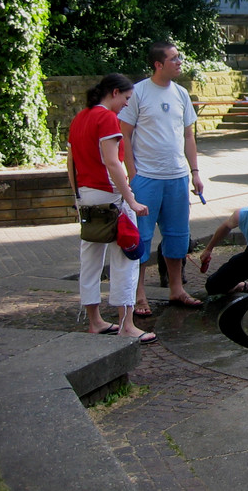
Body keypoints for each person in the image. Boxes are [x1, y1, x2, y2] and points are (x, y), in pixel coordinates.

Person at [68, 74, 156, 343]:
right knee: (126, 258)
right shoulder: (106, 118)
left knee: (90, 260)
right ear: (115, 92)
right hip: (111, 198)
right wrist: (130, 199)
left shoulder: (79, 117)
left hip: (87, 196)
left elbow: (70, 162)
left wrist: (77, 197)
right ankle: (126, 324)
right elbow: (112, 162)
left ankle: (94, 321)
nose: (126, 105)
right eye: (126, 99)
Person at [119, 41, 206, 315]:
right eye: (174, 58)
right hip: (147, 178)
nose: (180, 62)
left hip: (177, 177)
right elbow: (125, 135)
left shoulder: (181, 93)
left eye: (179, 57)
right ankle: (139, 293)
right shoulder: (139, 93)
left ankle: (176, 289)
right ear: (158, 64)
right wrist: (133, 175)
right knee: (142, 239)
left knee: (178, 237)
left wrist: (195, 172)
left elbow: (188, 135)